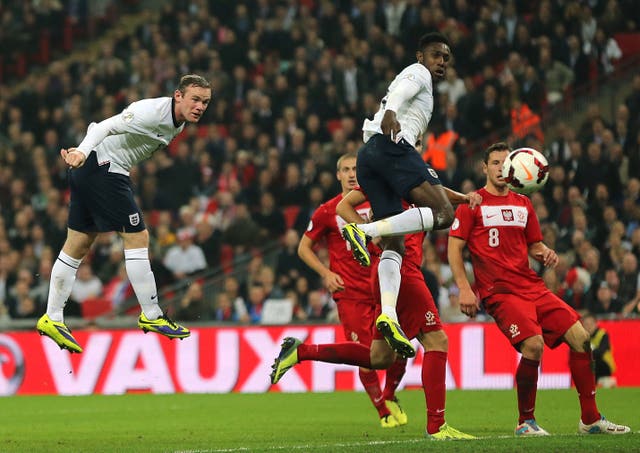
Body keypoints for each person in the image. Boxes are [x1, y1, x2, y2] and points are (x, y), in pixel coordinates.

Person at [447, 142, 630, 436]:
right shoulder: (473, 204)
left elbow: (533, 244)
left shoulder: (523, 203)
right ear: (484, 167)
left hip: (531, 286)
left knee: (582, 339)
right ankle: (525, 422)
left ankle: (590, 419)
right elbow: (454, 249)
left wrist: (545, 252)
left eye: (504, 162)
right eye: (494, 162)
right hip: (500, 291)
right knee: (533, 345)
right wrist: (464, 288)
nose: (500, 167)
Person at [271, 187, 475, 441]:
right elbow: (343, 207)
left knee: (379, 357)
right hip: (401, 269)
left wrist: (464, 198)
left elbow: (435, 190)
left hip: (384, 273)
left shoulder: (407, 181)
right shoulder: (393, 177)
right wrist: (368, 231)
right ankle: (436, 426)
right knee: (436, 340)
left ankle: (301, 352)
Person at [36, 74, 212, 353]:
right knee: (137, 235)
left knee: (78, 244)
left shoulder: (177, 123)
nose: (200, 106)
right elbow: (104, 126)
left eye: (205, 102)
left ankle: (52, 318)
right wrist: (81, 152)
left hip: (94, 170)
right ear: (178, 96)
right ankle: (151, 314)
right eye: (195, 99)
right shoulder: (151, 112)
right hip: (102, 167)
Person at [340, 32, 479, 358]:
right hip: (392, 146)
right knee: (444, 215)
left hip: (370, 154)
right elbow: (402, 92)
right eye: (436, 55)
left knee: (395, 244)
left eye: (446, 58)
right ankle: (362, 231)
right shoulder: (417, 74)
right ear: (421, 56)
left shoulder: (418, 80)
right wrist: (391, 113)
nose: (442, 62)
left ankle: (388, 315)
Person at [297, 152, 409, 428]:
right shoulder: (328, 210)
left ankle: (390, 394)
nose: (350, 174)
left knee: (399, 347)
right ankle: (382, 411)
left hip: (383, 287)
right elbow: (303, 248)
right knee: (366, 354)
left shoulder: (379, 202)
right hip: (351, 294)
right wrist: (326, 273)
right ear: (337, 175)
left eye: (355, 169)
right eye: (345, 169)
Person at [580, 313, 617, 388]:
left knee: (594, 361)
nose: (589, 327)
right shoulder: (582, 337)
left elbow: (601, 351)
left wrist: (586, 354)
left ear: (596, 324)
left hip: (604, 365)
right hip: (590, 365)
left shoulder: (603, 334)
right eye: (586, 324)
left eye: (591, 324)